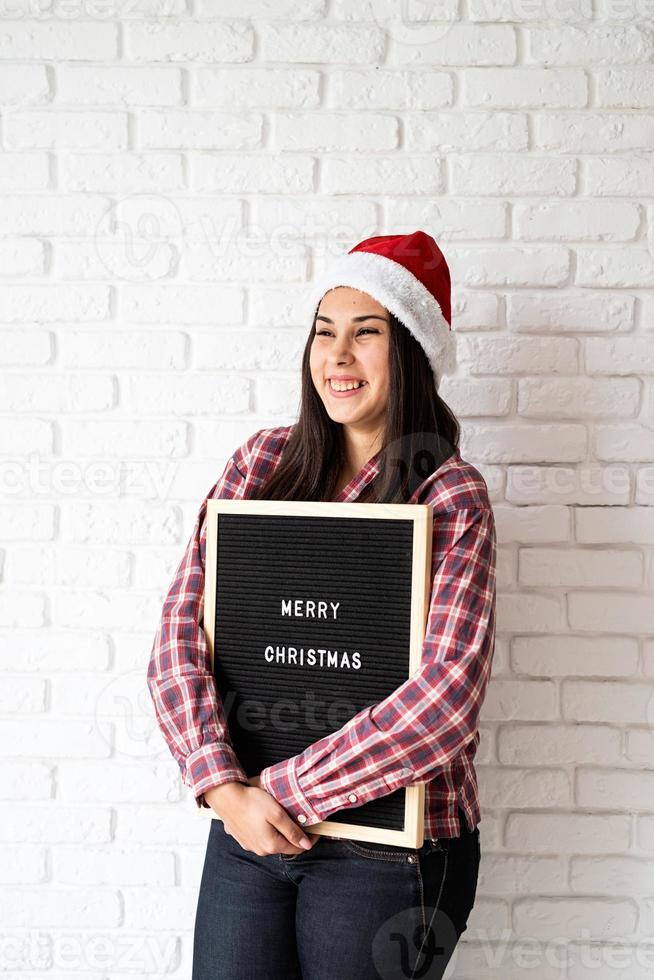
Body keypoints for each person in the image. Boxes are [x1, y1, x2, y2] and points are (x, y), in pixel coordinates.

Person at [147, 231, 497, 980]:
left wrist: (274, 791)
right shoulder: (261, 463)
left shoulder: (447, 492)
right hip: (248, 832)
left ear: (408, 353)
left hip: (390, 848)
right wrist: (220, 784)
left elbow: (444, 702)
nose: (337, 356)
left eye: (366, 333)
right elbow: (179, 635)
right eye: (324, 333)